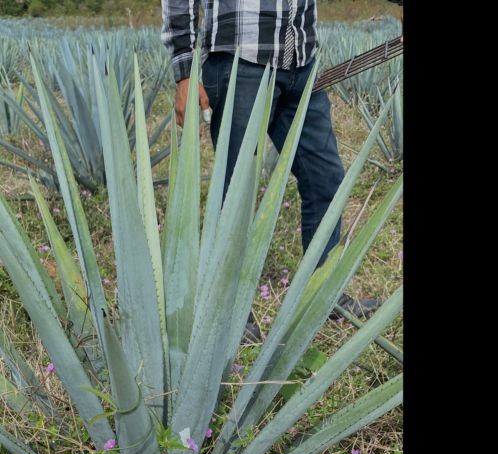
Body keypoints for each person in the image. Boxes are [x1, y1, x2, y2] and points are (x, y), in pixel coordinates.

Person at [161, 1, 402, 319]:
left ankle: (320, 295)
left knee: (325, 179)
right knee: (235, 193)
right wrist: (184, 71)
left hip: (300, 62)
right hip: (240, 60)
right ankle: (225, 316)